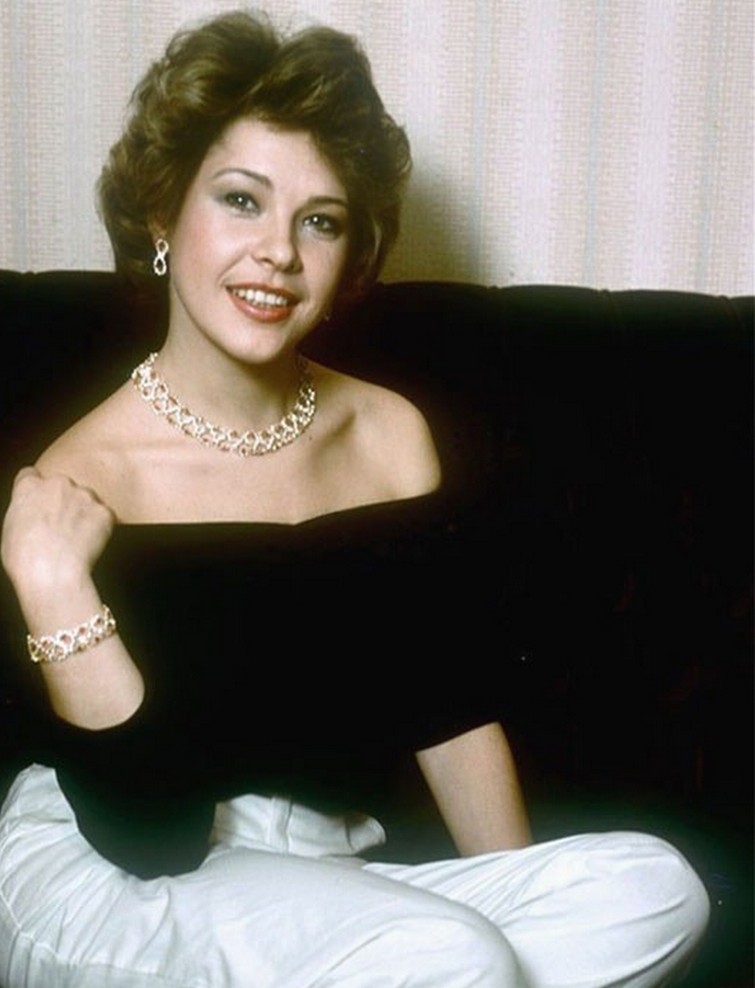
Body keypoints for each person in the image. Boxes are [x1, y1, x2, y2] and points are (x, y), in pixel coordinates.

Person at [0, 10, 709, 987]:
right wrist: (52, 588)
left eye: (319, 220)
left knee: (655, 887)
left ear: (346, 255)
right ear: (162, 217)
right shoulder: (84, 476)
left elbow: (448, 705)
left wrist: (511, 894)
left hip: (330, 874)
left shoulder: (385, 433)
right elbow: (146, 834)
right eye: (240, 201)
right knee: (446, 956)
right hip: (112, 869)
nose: (278, 252)